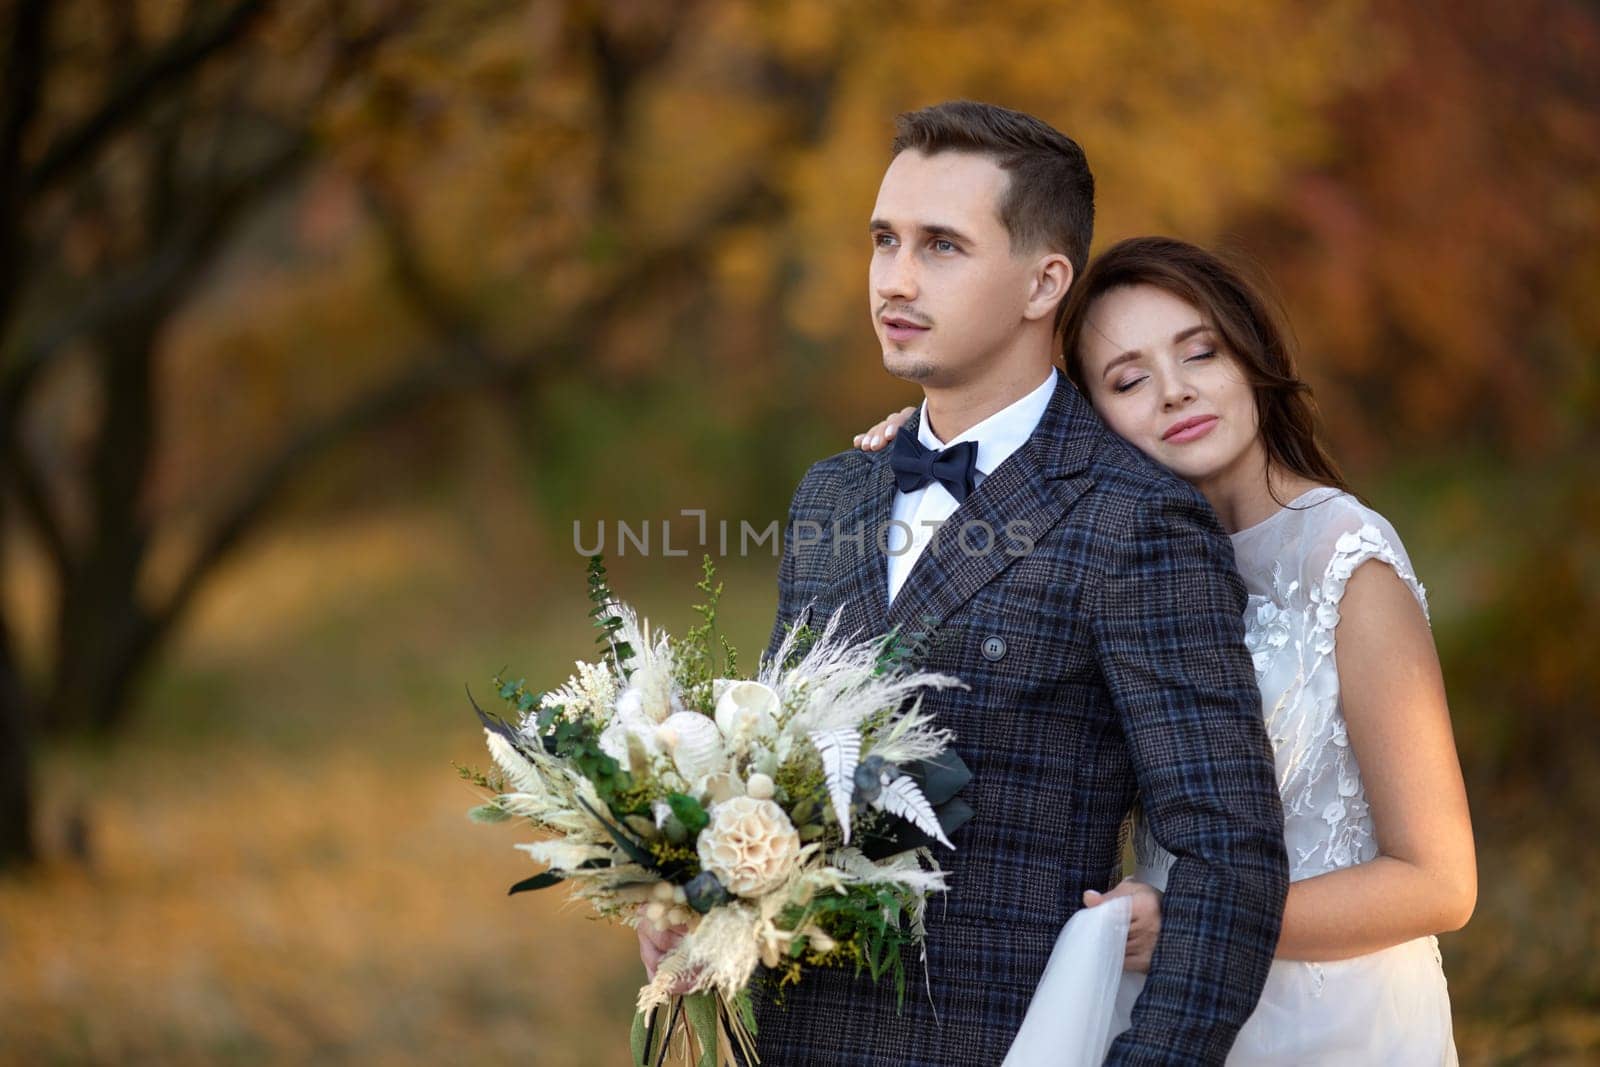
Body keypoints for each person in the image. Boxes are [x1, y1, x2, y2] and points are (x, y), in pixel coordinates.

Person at [639, 100, 1290, 1065]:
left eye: (942, 246)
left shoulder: (1135, 518)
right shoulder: (837, 490)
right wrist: (699, 893)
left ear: (1044, 281)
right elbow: (778, 777)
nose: (895, 281)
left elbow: (1232, 859)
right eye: (884, 240)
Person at [854, 235, 1476, 1064]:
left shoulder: (1347, 559)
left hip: (1333, 1019)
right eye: (1129, 379)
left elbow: (1441, 882)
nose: (1175, 391)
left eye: (1201, 353)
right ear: (1090, 418)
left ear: (1250, 354)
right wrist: (929, 444)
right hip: (1160, 1010)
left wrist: (1195, 919)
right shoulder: (1114, 557)